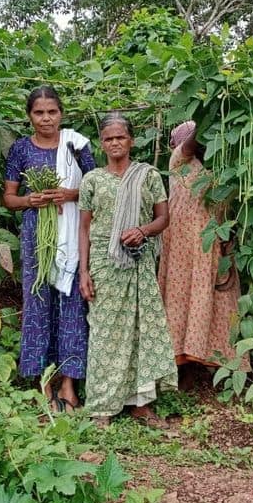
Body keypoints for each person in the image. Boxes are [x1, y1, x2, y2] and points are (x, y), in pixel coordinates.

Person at [78, 113, 177, 424]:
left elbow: (164, 219)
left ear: (131, 140)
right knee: (104, 332)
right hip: (104, 264)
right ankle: (102, 406)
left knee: (140, 329)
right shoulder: (92, 179)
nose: (115, 143)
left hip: (139, 260)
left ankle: (140, 403)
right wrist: (83, 272)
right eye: (108, 138)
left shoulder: (147, 176)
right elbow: (84, 229)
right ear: (101, 144)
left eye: (120, 137)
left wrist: (143, 230)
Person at [2, 86, 96, 413]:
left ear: (61, 114)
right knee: (39, 304)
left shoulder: (75, 145)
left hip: (73, 235)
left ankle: (69, 385)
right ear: (29, 116)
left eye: (52, 112)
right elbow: (9, 198)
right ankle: (45, 384)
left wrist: (70, 195)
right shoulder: (20, 150)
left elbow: (96, 187)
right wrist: (31, 200)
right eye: (39, 113)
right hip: (36, 236)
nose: (46, 119)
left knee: (71, 307)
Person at [158, 120, 243, 387]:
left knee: (219, 302)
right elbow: (193, 140)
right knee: (182, 304)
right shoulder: (180, 163)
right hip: (183, 252)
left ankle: (221, 367)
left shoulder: (224, 169)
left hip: (212, 247)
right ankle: (184, 368)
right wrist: (210, 115)